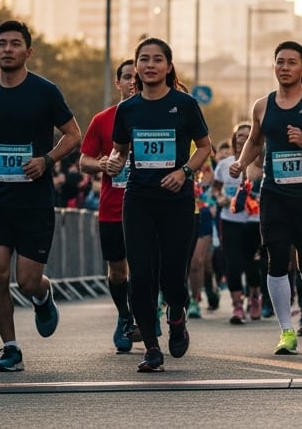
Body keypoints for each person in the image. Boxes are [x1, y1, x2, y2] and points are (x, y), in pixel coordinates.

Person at [0, 20, 81, 373]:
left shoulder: (45, 91)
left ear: (28, 51)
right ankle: (11, 348)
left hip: (34, 199)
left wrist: (47, 160)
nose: (7, 49)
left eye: (15, 43)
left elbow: (73, 135)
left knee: (25, 280)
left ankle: (43, 294)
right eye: (2, 44)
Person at [105, 38, 212, 373]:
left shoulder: (184, 104)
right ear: (136, 67)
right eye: (143, 60)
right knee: (141, 275)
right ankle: (152, 347)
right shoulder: (127, 109)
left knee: (172, 278)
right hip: (138, 200)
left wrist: (184, 172)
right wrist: (113, 162)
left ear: (168, 66)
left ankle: (177, 315)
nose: (149, 65)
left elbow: (204, 148)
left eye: (157, 60)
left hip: (176, 201)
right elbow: (120, 150)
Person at [231, 41, 302, 355]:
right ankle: (286, 331)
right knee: (276, 260)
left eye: (292, 62)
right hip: (274, 193)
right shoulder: (262, 106)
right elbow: (254, 141)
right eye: (280, 62)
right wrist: (242, 161)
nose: (285, 67)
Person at [78, 60, 139, 352]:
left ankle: (146, 319)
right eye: (126, 77)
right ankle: (125, 316)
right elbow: (84, 161)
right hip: (112, 208)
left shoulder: (159, 116)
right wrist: (100, 162)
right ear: (118, 83)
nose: (132, 82)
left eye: (136, 77)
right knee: (117, 271)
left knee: (145, 268)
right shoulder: (102, 119)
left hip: (149, 207)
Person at [215, 122, 262, 324]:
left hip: (254, 221)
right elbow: (216, 187)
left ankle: (254, 298)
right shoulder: (225, 164)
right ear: (234, 140)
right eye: (240, 136)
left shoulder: (260, 164)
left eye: (248, 135)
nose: (243, 139)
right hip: (230, 219)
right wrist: (220, 198)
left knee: (252, 264)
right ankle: (236, 306)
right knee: (233, 264)